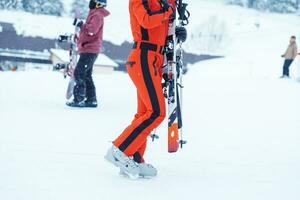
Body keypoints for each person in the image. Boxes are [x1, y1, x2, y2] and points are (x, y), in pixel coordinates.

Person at [105, 0, 187, 179]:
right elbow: (146, 20)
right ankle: (120, 150)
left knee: (144, 112)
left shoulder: (162, 2)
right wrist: (169, 12)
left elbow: (164, 26)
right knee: (156, 112)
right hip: (143, 56)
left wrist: (177, 34)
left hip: (155, 59)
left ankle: (134, 155)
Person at [67, 0, 110, 108]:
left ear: (98, 3)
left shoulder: (97, 14)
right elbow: (89, 32)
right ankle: (91, 100)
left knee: (79, 73)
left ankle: (79, 99)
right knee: (86, 75)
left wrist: (81, 25)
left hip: (90, 50)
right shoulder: (94, 14)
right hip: (88, 49)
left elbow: (92, 30)